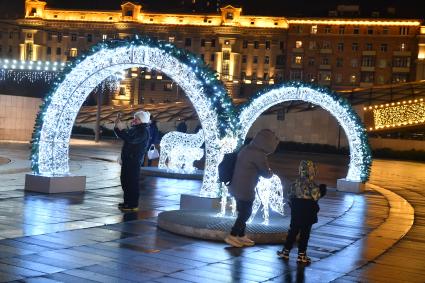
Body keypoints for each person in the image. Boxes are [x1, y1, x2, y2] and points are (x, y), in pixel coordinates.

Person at [224, 129, 279, 248]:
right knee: (246, 213)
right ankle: (232, 235)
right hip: (245, 188)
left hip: (235, 186)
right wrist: (271, 172)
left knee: (242, 211)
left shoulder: (247, 148)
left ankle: (241, 235)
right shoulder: (258, 154)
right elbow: (266, 174)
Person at [277, 160, 327, 264]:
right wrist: (322, 190)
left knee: (292, 232)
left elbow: (289, 197)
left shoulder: (294, 184)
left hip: (296, 214)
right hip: (308, 215)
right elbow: (316, 196)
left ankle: (285, 252)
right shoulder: (313, 186)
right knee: (304, 235)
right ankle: (301, 255)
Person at [114, 110, 150, 212]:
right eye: (135, 118)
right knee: (125, 181)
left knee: (132, 182)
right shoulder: (135, 129)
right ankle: (127, 202)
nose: (135, 120)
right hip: (127, 159)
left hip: (134, 160)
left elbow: (130, 139)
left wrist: (122, 129)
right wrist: (117, 127)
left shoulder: (142, 131)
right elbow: (124, 136)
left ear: (142, 121)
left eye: (137, 119)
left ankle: (133, 204)